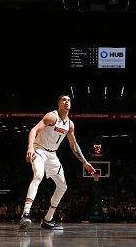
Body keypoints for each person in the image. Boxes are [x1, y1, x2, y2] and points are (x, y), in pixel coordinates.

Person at [19, 94, 96, 230]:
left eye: (69, 100)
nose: (67, 102)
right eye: (64, 100)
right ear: (59, 104)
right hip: (39, 150)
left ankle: (48, 220)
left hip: (52, 155)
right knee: (38, 175)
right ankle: (25, 214)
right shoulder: (51, 116)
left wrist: (84, 162)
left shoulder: (70, 124)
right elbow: (33, 130)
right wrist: (30, 147)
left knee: (63, 186)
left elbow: (73, 145)